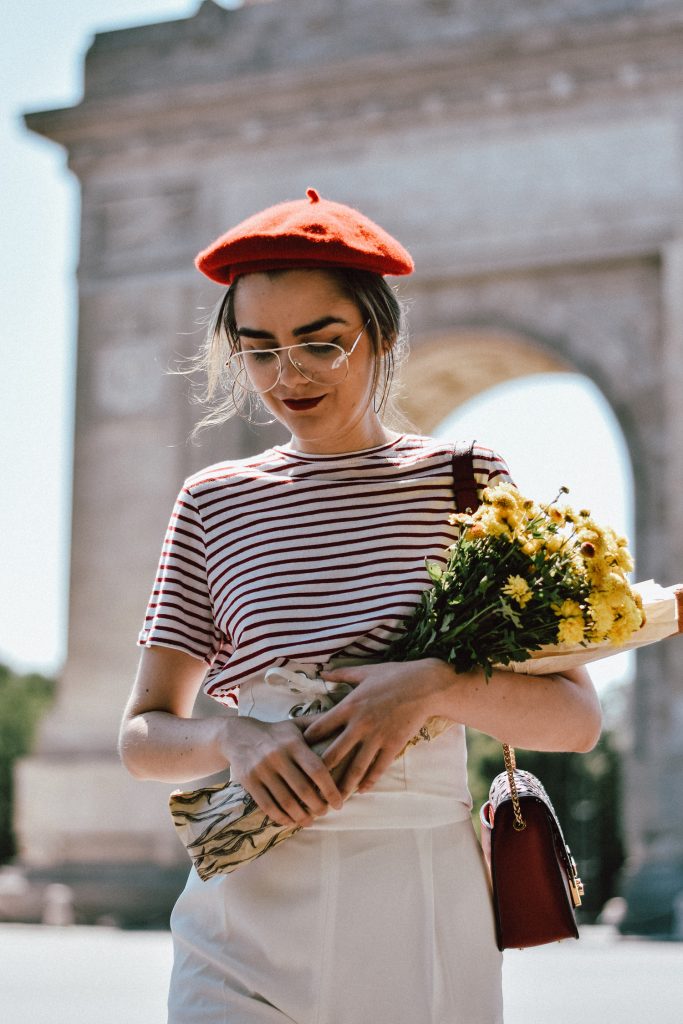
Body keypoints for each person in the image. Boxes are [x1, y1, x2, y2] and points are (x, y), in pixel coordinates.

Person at [118, 188, 602, 1024]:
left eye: (319, 342)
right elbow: (141, 735)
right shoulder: (211, 501)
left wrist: (430, 686)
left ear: (380, 334)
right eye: (258, 348)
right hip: (241, 902)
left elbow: (572, 720)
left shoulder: (468, 482)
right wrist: (231, 734)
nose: (287, 374)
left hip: (417, 902)